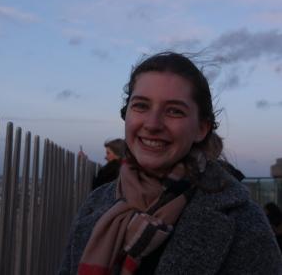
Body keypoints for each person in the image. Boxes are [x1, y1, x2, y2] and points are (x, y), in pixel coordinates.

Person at [59, 52, 282, 275]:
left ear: (202, 129)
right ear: (126, 114)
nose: (153, 124)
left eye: (174, 111)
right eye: (141, 106)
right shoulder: (96, 202)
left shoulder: (244, 222)